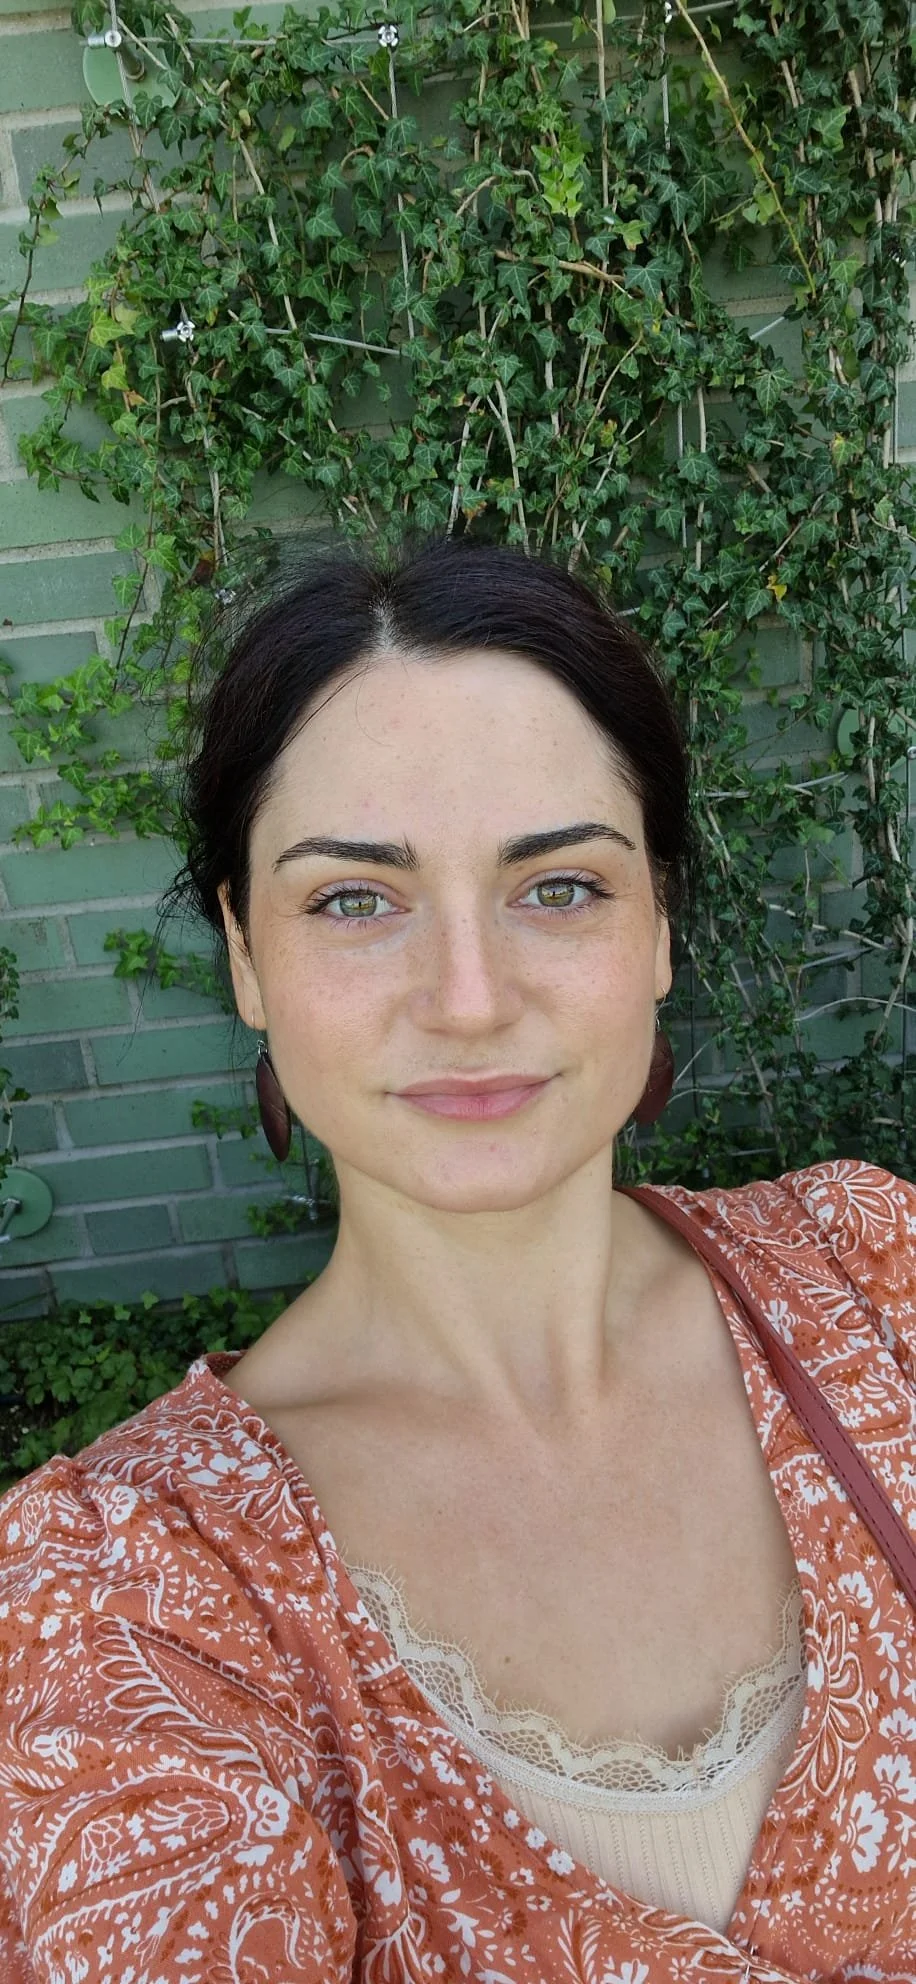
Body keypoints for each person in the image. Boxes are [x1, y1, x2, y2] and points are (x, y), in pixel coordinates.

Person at [0, 538, 914, 1984]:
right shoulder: (130, 1600)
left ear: (660, 925)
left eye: (559, 886)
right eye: (355, 900)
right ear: (245, 956)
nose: (470, 999)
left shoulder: (879, 1279)